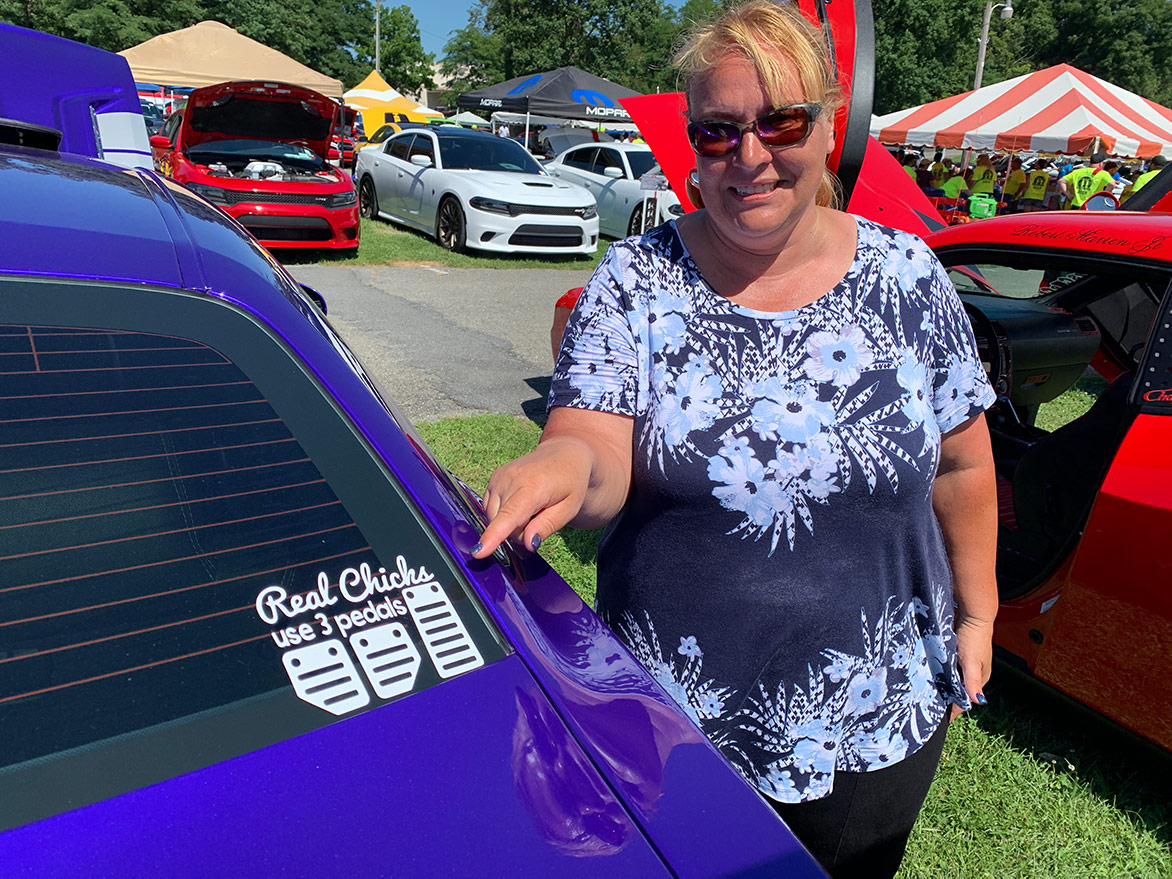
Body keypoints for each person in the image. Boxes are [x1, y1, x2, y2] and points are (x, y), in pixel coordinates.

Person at [473, 3, 998, 877]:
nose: (749, 156)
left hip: (878, 714)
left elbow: (962, 460)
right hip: (676, 726)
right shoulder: (636, 281)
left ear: (829, 125)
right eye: (717, 133)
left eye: (780, 121)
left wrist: (977, 614)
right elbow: (592, 445)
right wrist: (555, 466)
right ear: (691, 145)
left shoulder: (909, 276)